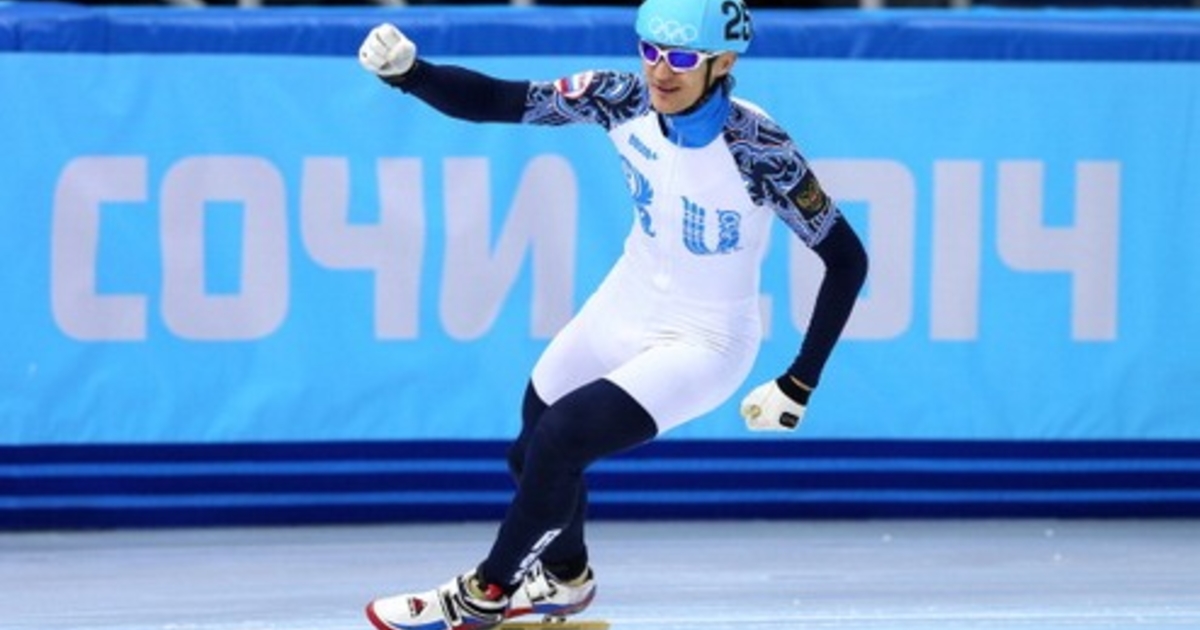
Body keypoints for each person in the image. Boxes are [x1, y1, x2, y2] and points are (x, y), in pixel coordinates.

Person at [357, 0, 868, 628]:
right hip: (630, 298)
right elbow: (499, 100)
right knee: (530, 449)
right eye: (650, 51)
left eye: (682, 58)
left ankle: (485, 593)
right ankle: (565, 578)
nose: (661, 71)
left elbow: (847, 259)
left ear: (723, 63)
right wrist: (412, 75)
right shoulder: (618, 98)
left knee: (561, 440)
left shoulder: (759, 148)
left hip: (707, 337)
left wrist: (800, 380)